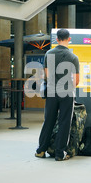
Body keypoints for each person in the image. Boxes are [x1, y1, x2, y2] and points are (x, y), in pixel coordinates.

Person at [35, 29, 80, 161]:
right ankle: (60, 153)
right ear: (69, 39)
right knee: (64, 122)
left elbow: (47, 75)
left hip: (51, 92)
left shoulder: (48, 53)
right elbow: (76, 81)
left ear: (57, 39)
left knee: (48, 121)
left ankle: (41, 150)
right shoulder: (73, 57)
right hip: (66, 93)